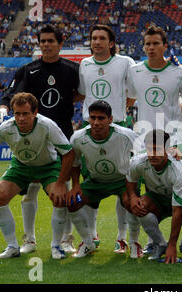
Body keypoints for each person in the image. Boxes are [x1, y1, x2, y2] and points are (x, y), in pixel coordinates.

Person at [0, 24, 80, 255]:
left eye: (50, 41)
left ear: (60, 44)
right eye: (42, 41)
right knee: (30, 190)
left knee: (63, 190)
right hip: (32, 137)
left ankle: (66, 239)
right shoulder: (28, 69)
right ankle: (29, 240)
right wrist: (4, 108)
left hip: (62, 135)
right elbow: (11, 95)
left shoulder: (73, 70)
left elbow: (82, 93)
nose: (46, 45)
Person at [0, 92, 75, 259]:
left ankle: (56, 246)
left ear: (35, 113)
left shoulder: (46, 125)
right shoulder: (6, 127)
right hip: (21, 166)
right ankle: (12, 247)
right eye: (17, 114)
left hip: (48, 166)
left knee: (60, 197)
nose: (21, 118)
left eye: (25, 114)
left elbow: (68, 154)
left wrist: (60, 183)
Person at [126, 25, 182, 254]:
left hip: (175, 138)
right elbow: (129, 100)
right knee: (149, 188)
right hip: (145, 139)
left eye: (156, 43)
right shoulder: (135, 71)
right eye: (147, 43)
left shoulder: (179, 72)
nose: (151, 47)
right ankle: (153, 240)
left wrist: (173, 110)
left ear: (165, 46)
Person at [77, 24, 136, 254]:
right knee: (91, 179)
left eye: (102, 38)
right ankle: (91, 236)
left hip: (117, 126)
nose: (97, 42)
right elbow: (83, 93)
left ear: (111, 43)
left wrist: (115, 116)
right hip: (89, 127)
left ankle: (121, 238)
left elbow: (132, 95)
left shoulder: (125, 62)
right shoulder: (85, 64)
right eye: (93, 38)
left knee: (123, 181)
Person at [67, 100, 140, 258]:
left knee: (133, 204)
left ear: (110, 119)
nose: (96, 122)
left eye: (101, 118)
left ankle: (130, 242)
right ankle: (88, 242)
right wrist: (75, 185)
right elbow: (74, 163)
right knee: (72, 202)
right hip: (96, 182)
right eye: (93, 118)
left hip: (122, 181)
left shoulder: (125, 135)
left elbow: (144, 154)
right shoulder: (78, 138)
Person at [126, 130, 182, 263]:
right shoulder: (138, 162)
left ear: (167, 150)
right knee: (139, 205)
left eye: (157, 150)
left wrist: (173, 245)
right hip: (157, 197)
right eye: (150, 149)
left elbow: (177, 210)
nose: (153, 154)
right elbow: (131, 179)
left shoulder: (178, 169)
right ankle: (160, 244)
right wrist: (132, 197)